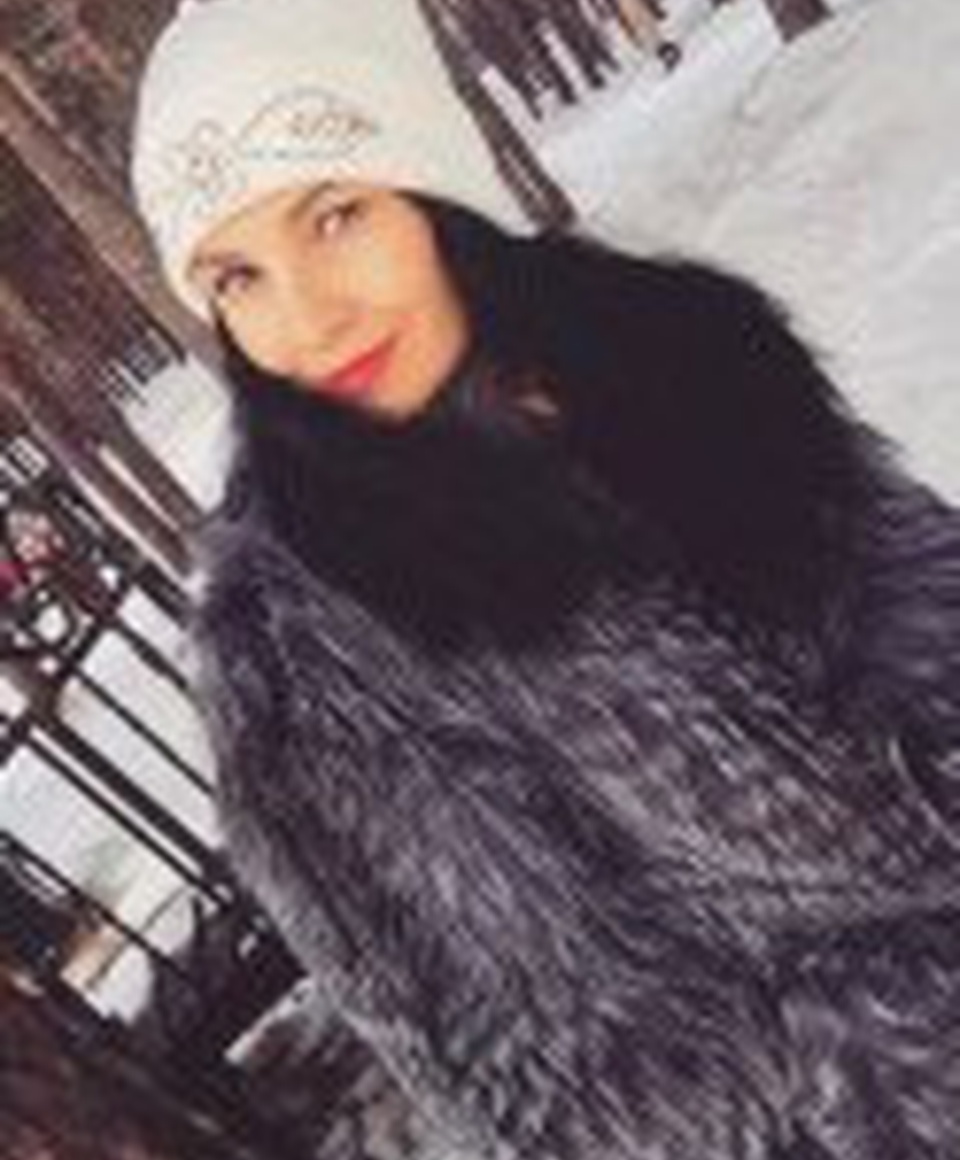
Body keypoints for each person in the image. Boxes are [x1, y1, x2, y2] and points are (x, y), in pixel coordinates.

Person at [130, 0, 960, 1156]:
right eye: (237, 278)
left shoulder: (687, 360)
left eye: (335, 215)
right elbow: (557, 1091)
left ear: (432, 180)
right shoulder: (298, 662)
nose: (308, 317)